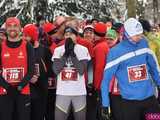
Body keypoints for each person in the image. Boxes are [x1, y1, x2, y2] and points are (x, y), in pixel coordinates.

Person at [101, 18, 160, 120]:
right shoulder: (115, 52)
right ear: (127, 34)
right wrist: (105, 104)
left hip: (150, 101)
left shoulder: (144, 43)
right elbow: (106, 80)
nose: (140, 37)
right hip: (130, 104)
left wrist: (159, 84)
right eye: (136, 35)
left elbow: (153, 67)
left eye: (141, 34)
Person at [52, 26, 90, 120]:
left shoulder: (83, 49)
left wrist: (72, 53)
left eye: (71, 34)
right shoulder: (58, 50)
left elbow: (81, 70)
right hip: (62, 92)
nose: (68, 36)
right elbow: (56, 70)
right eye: (66, 34)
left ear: (76, 36)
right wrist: (65, 54)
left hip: (79, 93)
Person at [0, 17, 34, 120]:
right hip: (5, 91)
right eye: (9, 26)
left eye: (15, 26)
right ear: (6, 29)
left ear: (20, 28)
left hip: (23, 91)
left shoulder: (27, 46)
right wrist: (8, 87)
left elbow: (31, 70)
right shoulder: (1, 46)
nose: (12, 28)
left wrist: (19, 87)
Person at [23, 24, 52, 120]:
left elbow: (51, 72)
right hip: (25, 93)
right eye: (23, 35)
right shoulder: (22, 50)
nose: (24, 38)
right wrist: (28, 77)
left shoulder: (45, 50)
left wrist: (40, 75)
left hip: (40, 92)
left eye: (26, 35)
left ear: (33, 36)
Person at [92, 23, 110, 120]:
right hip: (104, 83)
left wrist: (96, 86)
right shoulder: (104, 44)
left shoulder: (99, 47)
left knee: (100, 110)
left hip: (100, 84)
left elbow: (99, 68)